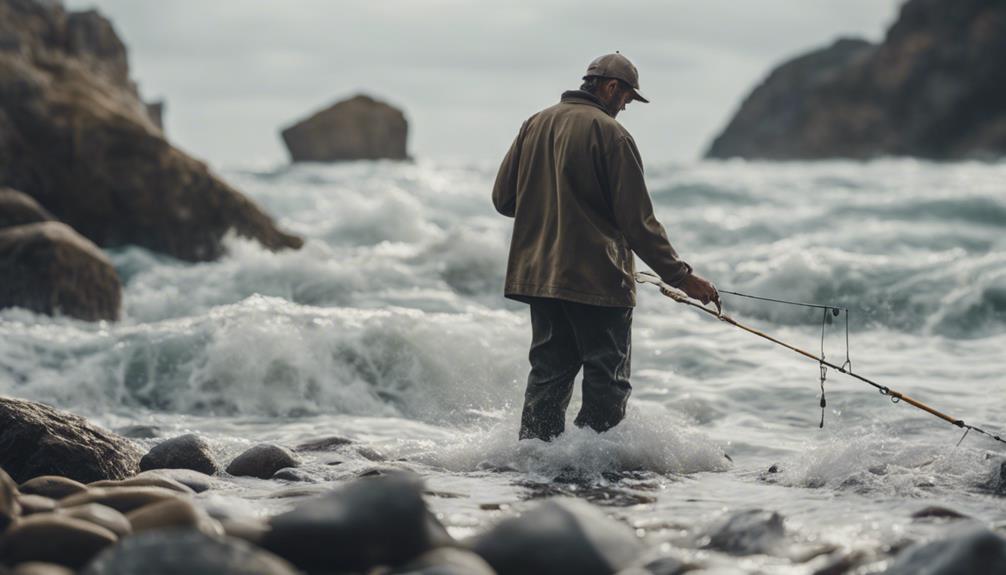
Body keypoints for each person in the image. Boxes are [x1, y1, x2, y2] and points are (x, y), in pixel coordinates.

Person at [492, 52, 719, 441]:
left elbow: (504, 200)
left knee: (548, 375)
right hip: (597, 281)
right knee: (606, 380)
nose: (625, 107)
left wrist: (551, 211)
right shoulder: (612, 135)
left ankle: (535, 464)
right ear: (611, 87)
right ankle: (599, 472)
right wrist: (683, 278)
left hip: (541, 280)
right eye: (627, 99)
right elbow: (638, 225)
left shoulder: (535, 123)